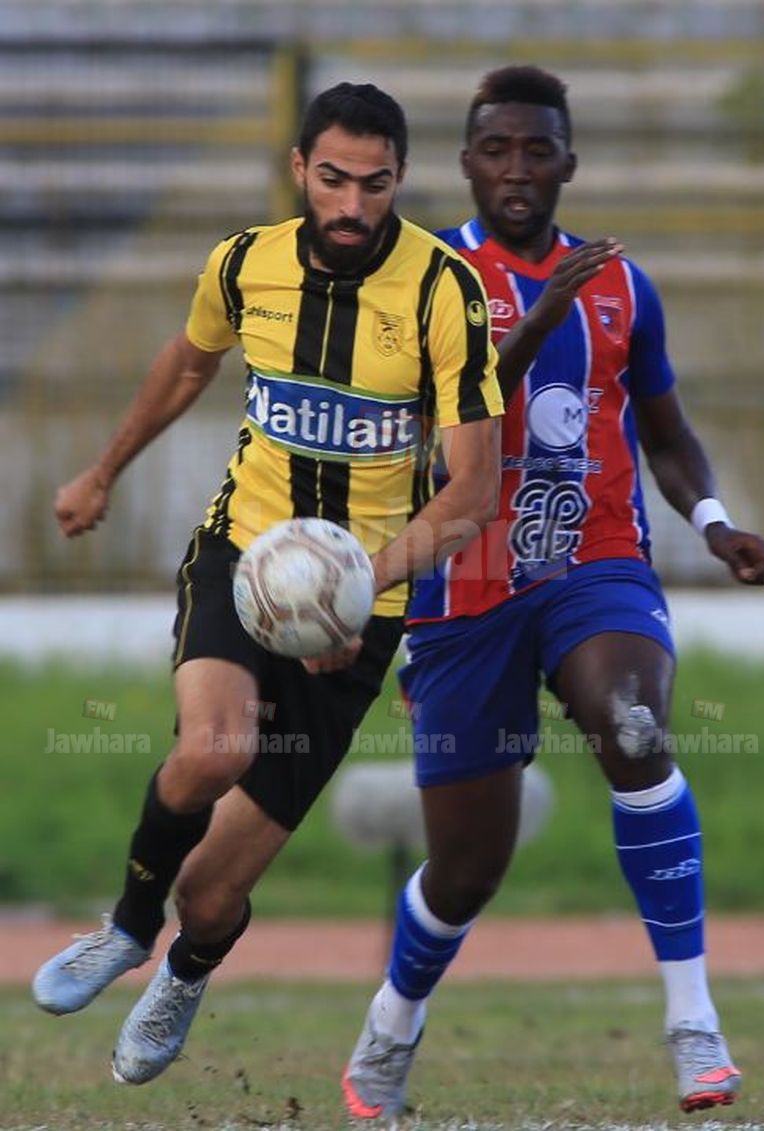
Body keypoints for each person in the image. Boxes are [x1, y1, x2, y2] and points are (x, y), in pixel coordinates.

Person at [31, 81, 504, 1086]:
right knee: (216, 746)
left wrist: (353, 588)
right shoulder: (245, 262)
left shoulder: (441, 290)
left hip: (364, 606)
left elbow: (471, 489)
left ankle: (184, 972)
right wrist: (103, 471)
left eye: (374, 184)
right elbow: (187, 363)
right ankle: (124, 926)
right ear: (298, 169)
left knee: (209, 895)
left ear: (399, 180)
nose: (351, 204)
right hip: (243, 558)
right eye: (332, 179)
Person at [342, 65, 764, 1120]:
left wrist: (713, 522)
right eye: (496, 149)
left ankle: (693, 1022)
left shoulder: (622, 285)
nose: (517, 169)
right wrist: (535, 325)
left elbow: (666, 434)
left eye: (537, 150)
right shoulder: (425, 277)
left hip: (595, 560)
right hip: (464, 583)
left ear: (567, 163)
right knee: (465, 870)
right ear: (466, 164)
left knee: (633, 728)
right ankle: (391, 1024)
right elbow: (424, 421)